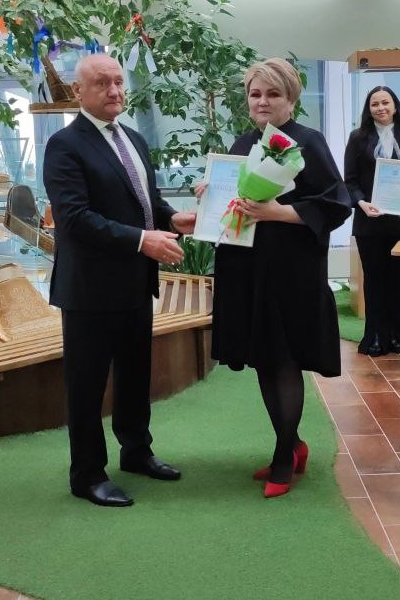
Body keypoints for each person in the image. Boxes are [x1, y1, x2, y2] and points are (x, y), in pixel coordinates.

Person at [42, 54, 195, 508]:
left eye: (118, 82)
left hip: (134, 282)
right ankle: (87, 474)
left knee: (135, 375)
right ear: (78, 91)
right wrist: (142, 240)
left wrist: (174, 219)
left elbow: (147, 202)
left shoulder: (133, 139)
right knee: (87, 386)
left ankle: (136, 452)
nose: (114, 91)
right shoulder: (64, 145)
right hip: (89, 289)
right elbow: (75, 219)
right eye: (102, 83)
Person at [202, 57, 350, 498]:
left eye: (273, 94)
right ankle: (293, 443)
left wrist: (277, 212)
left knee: (285, 359)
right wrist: (210, 193)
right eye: (255, 94)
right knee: (264, 358)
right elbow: (233, 202)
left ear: (291, 99)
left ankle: (285, 455)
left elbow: (335, 204)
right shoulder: (242, 142)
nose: (262, 102)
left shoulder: (308, 142)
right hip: (248, 268)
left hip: (292, 271)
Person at [344, 86, 400, 357]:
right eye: (375, 104)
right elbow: (350, 181)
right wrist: (361, 203)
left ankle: (397, 336)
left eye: (385, 102)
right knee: (374, 279)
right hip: (369, 221)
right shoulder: (358, 138)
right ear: (368, 109)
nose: (380, 108)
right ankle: (376, 336)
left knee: (397, 280)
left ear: (395, 105)